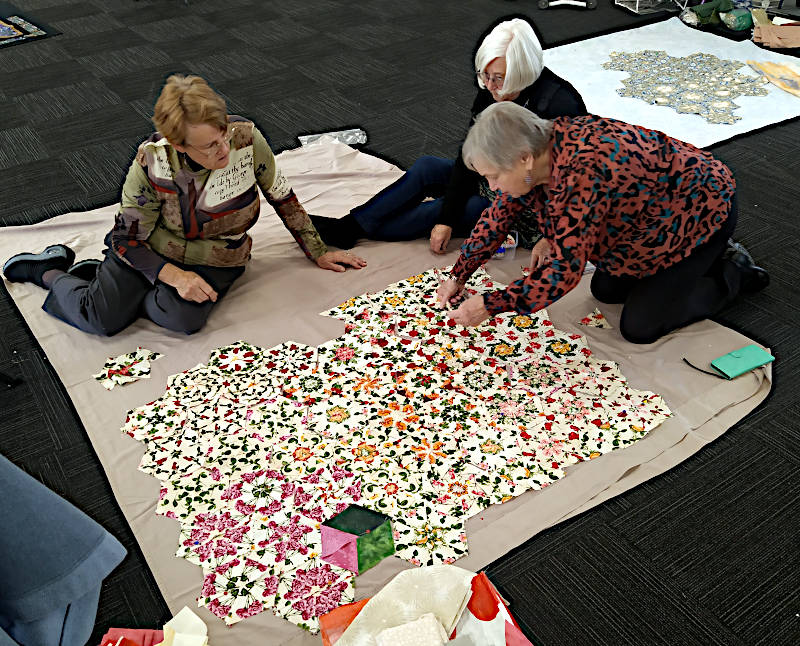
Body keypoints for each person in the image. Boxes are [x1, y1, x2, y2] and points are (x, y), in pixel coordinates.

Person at [2, 75, 366, 337]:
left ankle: (108, 284)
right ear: (178, 145)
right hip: (151, 248)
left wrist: (317, 251)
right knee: (101, 320)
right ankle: (49, 272)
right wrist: (173, 276)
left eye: (222, 134)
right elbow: (127, 239)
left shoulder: (246, 138)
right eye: (209, 146)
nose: (223, 149)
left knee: (183, 320)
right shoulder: (151, 162)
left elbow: (282, 196)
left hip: (218, 256)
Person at [436, 102, 769, 344]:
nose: (492, 187)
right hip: (649, 219)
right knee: (605, 290)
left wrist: (491, 304)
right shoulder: (538, 152)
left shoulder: (581, 172)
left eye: (493, 176)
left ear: (523, 157)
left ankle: (732, 268)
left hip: (701, 213)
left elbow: (564, 272)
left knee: (639, 328)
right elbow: (498, 217)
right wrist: (459, 274)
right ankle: (692, 268)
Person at [309, 17, 586, 255]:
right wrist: (451, 215)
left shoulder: (561, 106)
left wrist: (446, 219)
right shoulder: (491, 90)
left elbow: (569, 186)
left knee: (449, 210)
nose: (489, 86)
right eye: (484, 75)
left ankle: (359, 230)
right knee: (428, 167)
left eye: (498, 78)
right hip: (492, 176)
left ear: (520, 71)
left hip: (521, 201)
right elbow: (470, 154)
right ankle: (351, 227)